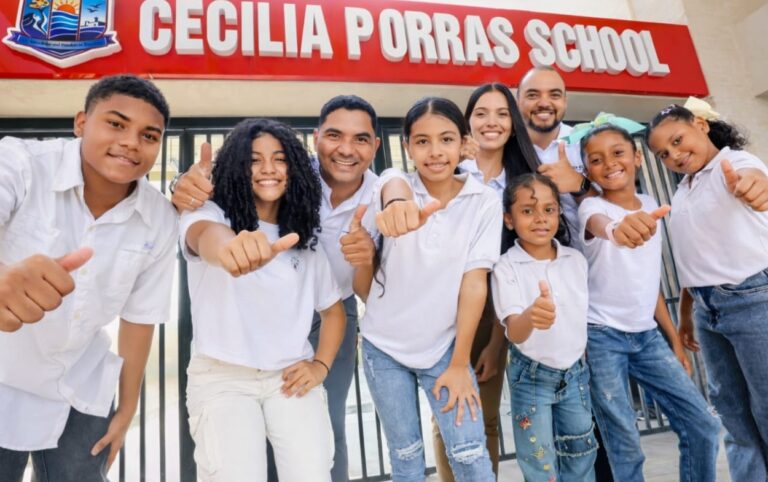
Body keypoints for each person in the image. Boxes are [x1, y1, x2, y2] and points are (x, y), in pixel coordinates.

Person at [171, 96, 380, 482]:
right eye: (254, 160)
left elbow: (334, 312)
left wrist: (320, 366)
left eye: (280, 159)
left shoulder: (303, 240)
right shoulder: (211, 214)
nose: (268, 169)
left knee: (313, 472)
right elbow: (205, 237)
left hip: (288, 376)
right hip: (223, 378)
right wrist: (231, 249)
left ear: (295, 168)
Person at [0, 75, 177, 481]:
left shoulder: (160, 218)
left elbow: (139, 318)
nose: (131, 142)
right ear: (81, 123)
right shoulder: (22, 163)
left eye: (149, 135)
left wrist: (127, 409)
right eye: (116, 124)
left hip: (80, 386)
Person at [358, 97, 499, 482]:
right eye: (422, 141)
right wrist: (398, 205)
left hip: (444, 348)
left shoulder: (484, 201)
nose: (435, 151)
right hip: (383, 348)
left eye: (446, 139)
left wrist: (459, 363)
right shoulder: (393, 184)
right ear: (407, 146)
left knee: (470, 455)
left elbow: (475, 283)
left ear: (463, 143)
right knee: (406, 458)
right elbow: (393, 184)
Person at [578, 123, 720, 482]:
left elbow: (648, 281)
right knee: (624, 443)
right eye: (596, 159)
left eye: (618, 153)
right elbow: (600, 225)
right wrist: (617, 230)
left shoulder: (651, 204)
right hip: (601, 337)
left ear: (638, 157)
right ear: (587, 171)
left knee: (702, 424)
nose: (610, 163)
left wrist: (674, 340)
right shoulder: (590, 207)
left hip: (647, 337)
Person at [647, 101, 768, 482]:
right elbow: (693, 259)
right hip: (706, 309)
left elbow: (754, 178)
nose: (674, 155)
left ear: (700, 124)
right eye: (663, 154)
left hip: (753, 302)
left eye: (677, 140)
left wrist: (755, 186)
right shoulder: (684, 190)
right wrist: (686, 314)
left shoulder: (735, 163)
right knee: (732, 412)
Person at [432, 82, 539, 481]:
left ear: (513, 124)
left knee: (489, 419)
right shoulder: (449, 172)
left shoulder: (524, 180)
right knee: (453, 416)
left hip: (503, 309)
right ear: (467, 122)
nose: (491, 122)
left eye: (501, 113)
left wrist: (497, 342)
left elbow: (519, 261)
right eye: (481, 113)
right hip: (448, 307)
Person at [492, 173, 597, 482]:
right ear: (509, 219)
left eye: (549, 209)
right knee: (539, 460)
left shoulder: (575, 260)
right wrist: (531, 316)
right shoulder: (505, 267)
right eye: (528, 211)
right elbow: (514, 331)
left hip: (576, 374)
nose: (540, 218)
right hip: (531, 377)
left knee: (581, 451)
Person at [517, 66, 596, 246]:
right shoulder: (505, 148)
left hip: (594, 258)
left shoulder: (587, 142)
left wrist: (580, 184)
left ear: (565, 101)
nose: (544, 103)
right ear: (518, 102)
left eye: (554, 95)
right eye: (533, 95)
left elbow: (613, 207)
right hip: (524, 260)